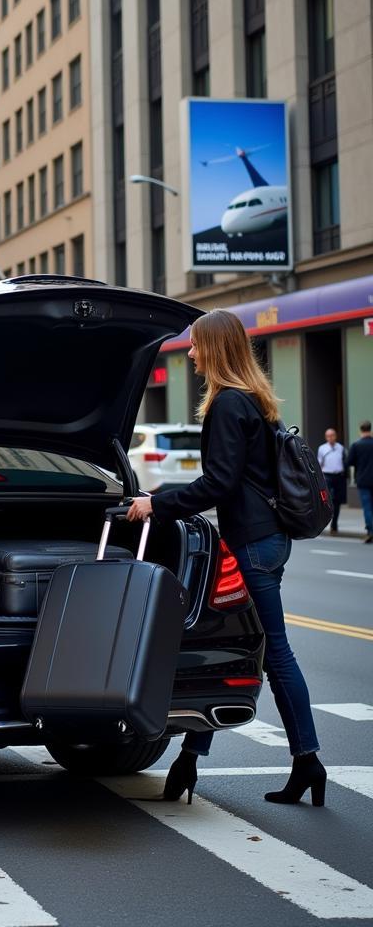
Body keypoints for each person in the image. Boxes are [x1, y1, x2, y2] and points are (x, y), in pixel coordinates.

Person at [126, 309, 325, 807]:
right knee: (240, 646)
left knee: (272, 654)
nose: (190, 354)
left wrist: (156, 503)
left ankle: (307, 762)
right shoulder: (253, 401)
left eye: (196, 346)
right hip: (267, 540)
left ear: (215, 348)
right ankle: (191, 760)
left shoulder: (227, 405)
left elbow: (218, 484)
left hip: (254, 544)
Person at [347, 420, 373, 543]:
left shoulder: (356, 445)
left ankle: (370, 531)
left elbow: (349, 462)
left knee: (367, 507)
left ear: (360, 430)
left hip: (362, 480)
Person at [317, 428, 347, 534]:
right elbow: (319, 464)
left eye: (332, 435)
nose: (331, 438)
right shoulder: (322, 448)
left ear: (336, 436)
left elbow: (345, 462)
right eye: (328, 436)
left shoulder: (341, 448)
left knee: (337, 501)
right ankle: (324, 521)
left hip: (338, 477)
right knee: (327, 500)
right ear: (326, 437)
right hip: (327, 477)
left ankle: (334, 525)